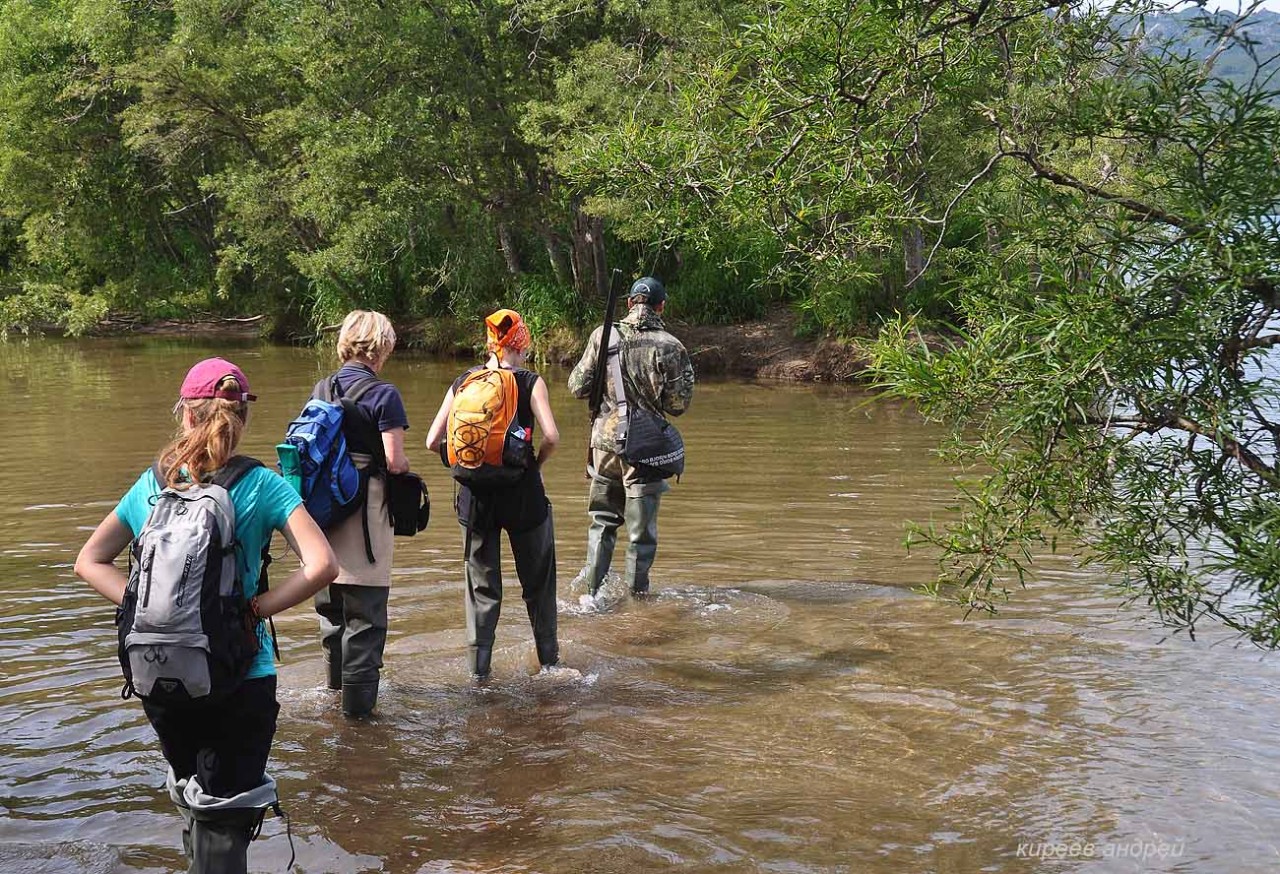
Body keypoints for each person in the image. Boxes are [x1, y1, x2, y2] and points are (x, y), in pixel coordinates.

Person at [75, 357, 338, 874]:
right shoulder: (263, 485)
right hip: (241, 673)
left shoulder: (152, 485)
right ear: (240, 418)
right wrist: (255, 610)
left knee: (194, 799)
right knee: (226, 817)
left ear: (186, 415)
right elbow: (324, 564)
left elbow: (89, 561)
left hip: (161, 673)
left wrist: (147, 612)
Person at [426, 309, 561, 679]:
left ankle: (478, 674)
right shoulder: (530, 382)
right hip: (524, 496)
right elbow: (550, 436)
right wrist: (535, 465)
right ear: (521, 343)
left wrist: (470, 466)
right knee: (538, 584)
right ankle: (550, 665)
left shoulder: (464, 381)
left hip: (475, 500)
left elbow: (431, 441)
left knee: (482, 589)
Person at [568, 276, 695, 602]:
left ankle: (593, 597)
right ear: (661, 306)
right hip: (645, 450)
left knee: (602, 523)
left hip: (605, 447)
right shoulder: (671, 345)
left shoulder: (602, 335)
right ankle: (638, 603)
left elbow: (576, 386)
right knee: (641, 535)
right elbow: (678, 406)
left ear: (629, 303)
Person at [314, 310, 411, 717]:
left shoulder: (322, 387)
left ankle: (333, 697)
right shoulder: (384, 394)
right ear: (381, 346)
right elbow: (394, 462)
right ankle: (359, 722)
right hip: (364, 514)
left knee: (332, 614)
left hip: (321, 514)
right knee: (366, 619)